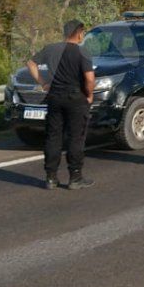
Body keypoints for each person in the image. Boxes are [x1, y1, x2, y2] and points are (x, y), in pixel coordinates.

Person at [27, 19, 95, 190]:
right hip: (76, 98)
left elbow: (31, 63)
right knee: (75, 137)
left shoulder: (51, 49)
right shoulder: (82, 52)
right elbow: (89, 79)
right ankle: (75, 177)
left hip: (54, 97)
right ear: (79, 33)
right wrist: (90, 95)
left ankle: (51, 178)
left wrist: (43, 83)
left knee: (53, 136)